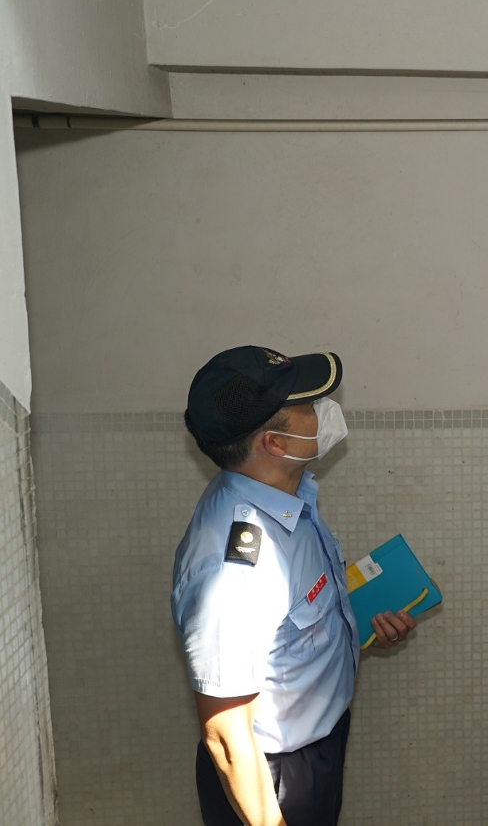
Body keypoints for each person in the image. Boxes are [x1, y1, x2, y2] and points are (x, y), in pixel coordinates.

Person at [172, 346, 416, 826]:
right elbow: (226, 733)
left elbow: (288, 620)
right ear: (274, 443)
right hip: (268, 778)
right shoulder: (232, 567)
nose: (323, 412)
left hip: (315, 749)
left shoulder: (286, 495)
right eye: (307, 406)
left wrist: (359, 625)